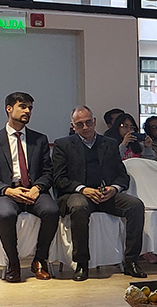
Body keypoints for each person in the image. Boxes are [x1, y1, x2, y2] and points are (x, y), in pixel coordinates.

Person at [52, 106, 147, 281]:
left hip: (105, 193)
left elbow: (122, 175)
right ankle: (81, 264)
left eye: (88, 122)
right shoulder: (63, 145)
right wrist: (82, 189)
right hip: (78, 193)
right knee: (79, 207)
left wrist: (114, 188)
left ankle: (131, 261)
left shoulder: (110, 144)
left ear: (94, 122)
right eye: (80, 124)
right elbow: (59, 178)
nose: (85, 127)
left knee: (136, 206)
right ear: (73, 127)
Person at [0, 92, 60, 282]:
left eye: (30, 107)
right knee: (6, 214)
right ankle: (13, 264)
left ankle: (39, 261)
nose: (27, 111)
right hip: (5, 193)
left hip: (33, 191)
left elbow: (48, 172)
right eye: (23, 106)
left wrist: (37, 188)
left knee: (52, 210)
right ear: (9, 108)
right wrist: (8, 190)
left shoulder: (39, 139)